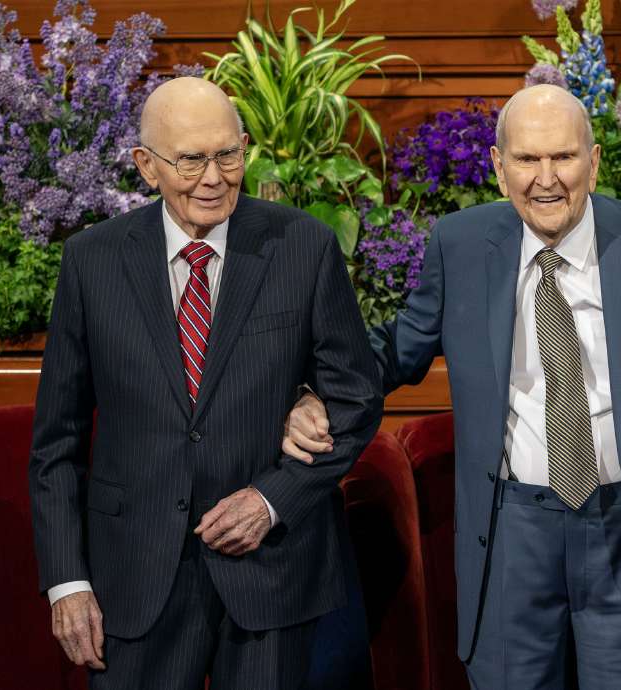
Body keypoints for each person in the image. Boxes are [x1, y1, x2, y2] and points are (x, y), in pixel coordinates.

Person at [285, 84, 621, 689]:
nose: (546, 178)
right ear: (498, 166)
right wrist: (311, 391)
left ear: (593, 160)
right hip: (511, 532)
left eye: (562, 157)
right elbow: (395, 349)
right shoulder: (460, 245)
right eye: (528, 160)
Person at [28, 77, 383, 689]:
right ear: (147, 166)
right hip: (133, 575)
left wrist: (272, 498)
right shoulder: (92, 261)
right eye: (192, 160)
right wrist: (68, 580)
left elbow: (355, 398)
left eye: (229, 154)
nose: (215, 177)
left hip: (271, 572)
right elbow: (55, 444)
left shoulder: (304, 246)